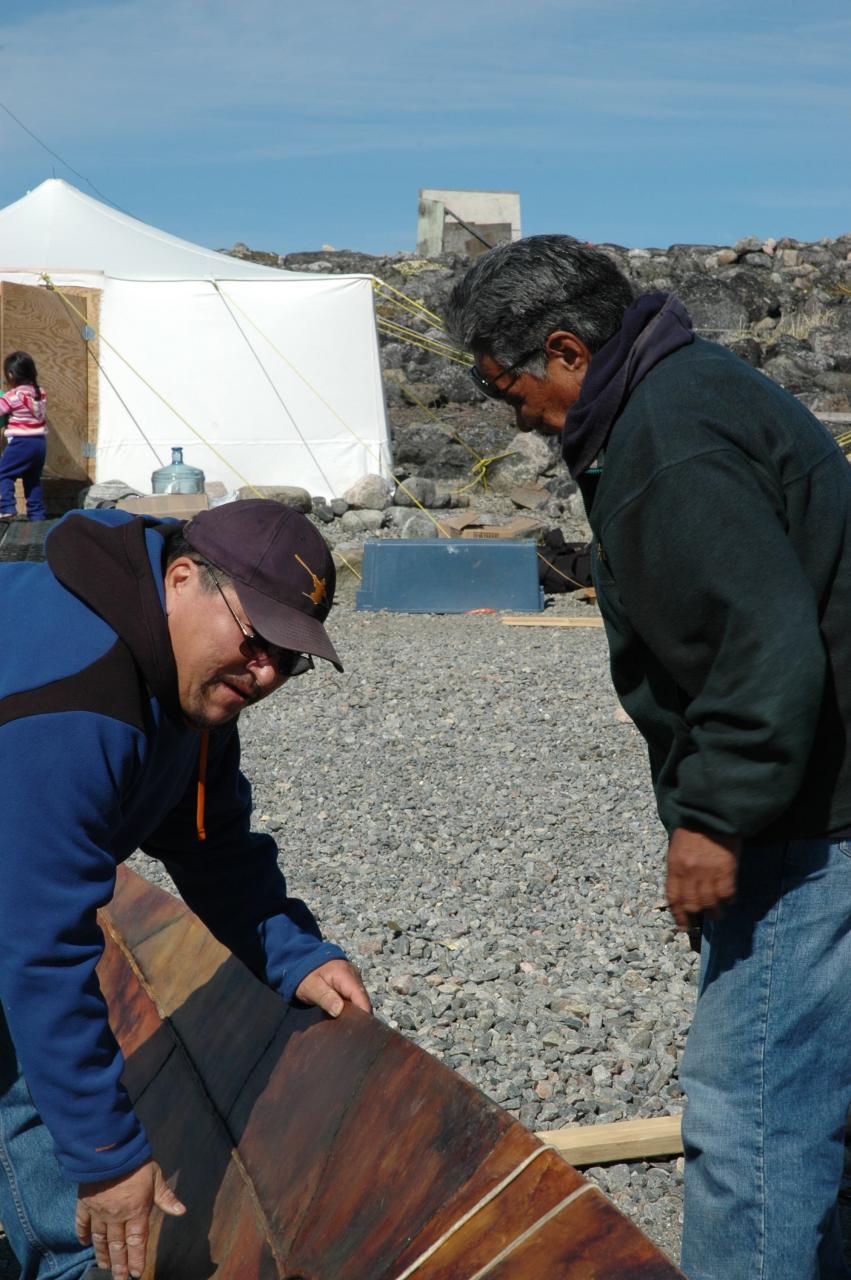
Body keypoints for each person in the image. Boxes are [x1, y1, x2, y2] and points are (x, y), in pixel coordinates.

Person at [445, 235, 851, 1280]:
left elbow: (761, 645)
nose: (517, 419)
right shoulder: (681, 391)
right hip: (817, 794)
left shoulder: (668, 435)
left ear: (566, 350)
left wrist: (711, 818)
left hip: (808, 819)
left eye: (507, 389)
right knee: (817, 1095)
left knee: (753, 1116)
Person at [0, 498, 371, 1280]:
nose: (265, 672)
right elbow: (38, 946)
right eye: (255, 639)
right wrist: (107, 1156)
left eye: (289, 657)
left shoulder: (187, 681)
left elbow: (211, 841)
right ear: (180, 580)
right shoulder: (75, 702)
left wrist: (292, 953)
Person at [0, 350, 48, 522]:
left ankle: (7, 508)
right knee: (32, 480)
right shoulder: (40, 393)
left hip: (21, 443)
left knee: (3, 473)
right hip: (40, 443)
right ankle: (37, 515)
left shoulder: (11, 396)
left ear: (11, 375)